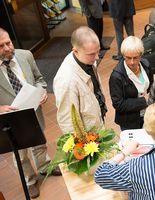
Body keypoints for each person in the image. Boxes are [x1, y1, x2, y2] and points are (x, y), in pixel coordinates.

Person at [0, 27, 61, 198]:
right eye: (1, 46)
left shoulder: (25, 55)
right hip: (10, 119)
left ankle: (45, 166)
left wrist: (42, 91)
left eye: (8, 43)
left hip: (33, 110)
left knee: (39, 142)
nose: (7, 48)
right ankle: (30, 180)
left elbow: (40, 79)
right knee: (20, 153)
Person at [53, 26, 106, 132]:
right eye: (91, 54)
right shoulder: (67, 80)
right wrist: (81, 146)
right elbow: (67, 121)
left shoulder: (86, 59)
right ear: (75, 51)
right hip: (87, 139)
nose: (96, 57)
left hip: (97, 124)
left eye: (98, 51)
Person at [109, 36, 153, 130]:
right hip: (130, 122)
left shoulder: (146, 64)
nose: (132, 62)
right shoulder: (117, 76)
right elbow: (118, 104)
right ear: (123, 55)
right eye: (128, 58)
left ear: (141, 55)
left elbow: (150, 86)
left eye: (135, 58)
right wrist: (143, 101)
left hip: (147, 116)